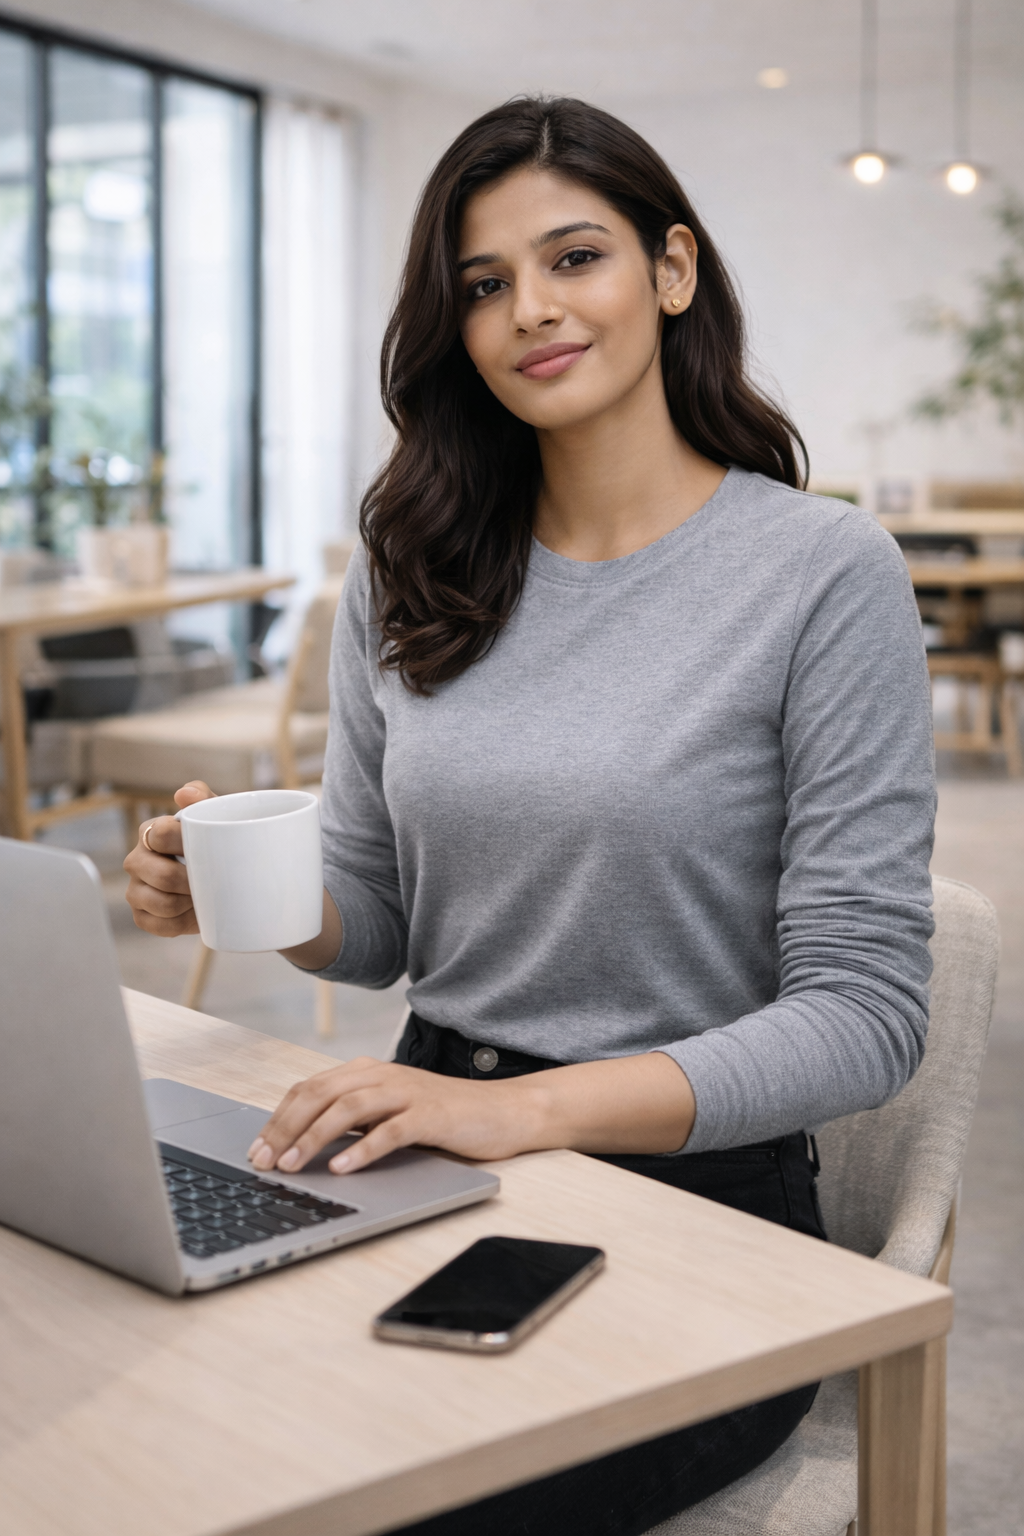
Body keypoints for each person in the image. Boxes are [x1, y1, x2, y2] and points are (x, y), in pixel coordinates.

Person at [125, 96, 935, 1536]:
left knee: (406, 1501)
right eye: (484, 285)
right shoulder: (412, 561)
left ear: (671, 270)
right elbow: (379, 927)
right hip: (421, 1136)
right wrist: (259, 894)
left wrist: (508, 1114)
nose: (529, 313)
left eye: (575, 258)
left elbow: (866, 1016)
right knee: (176, 1435)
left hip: (696, 1203)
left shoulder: (823, 573)